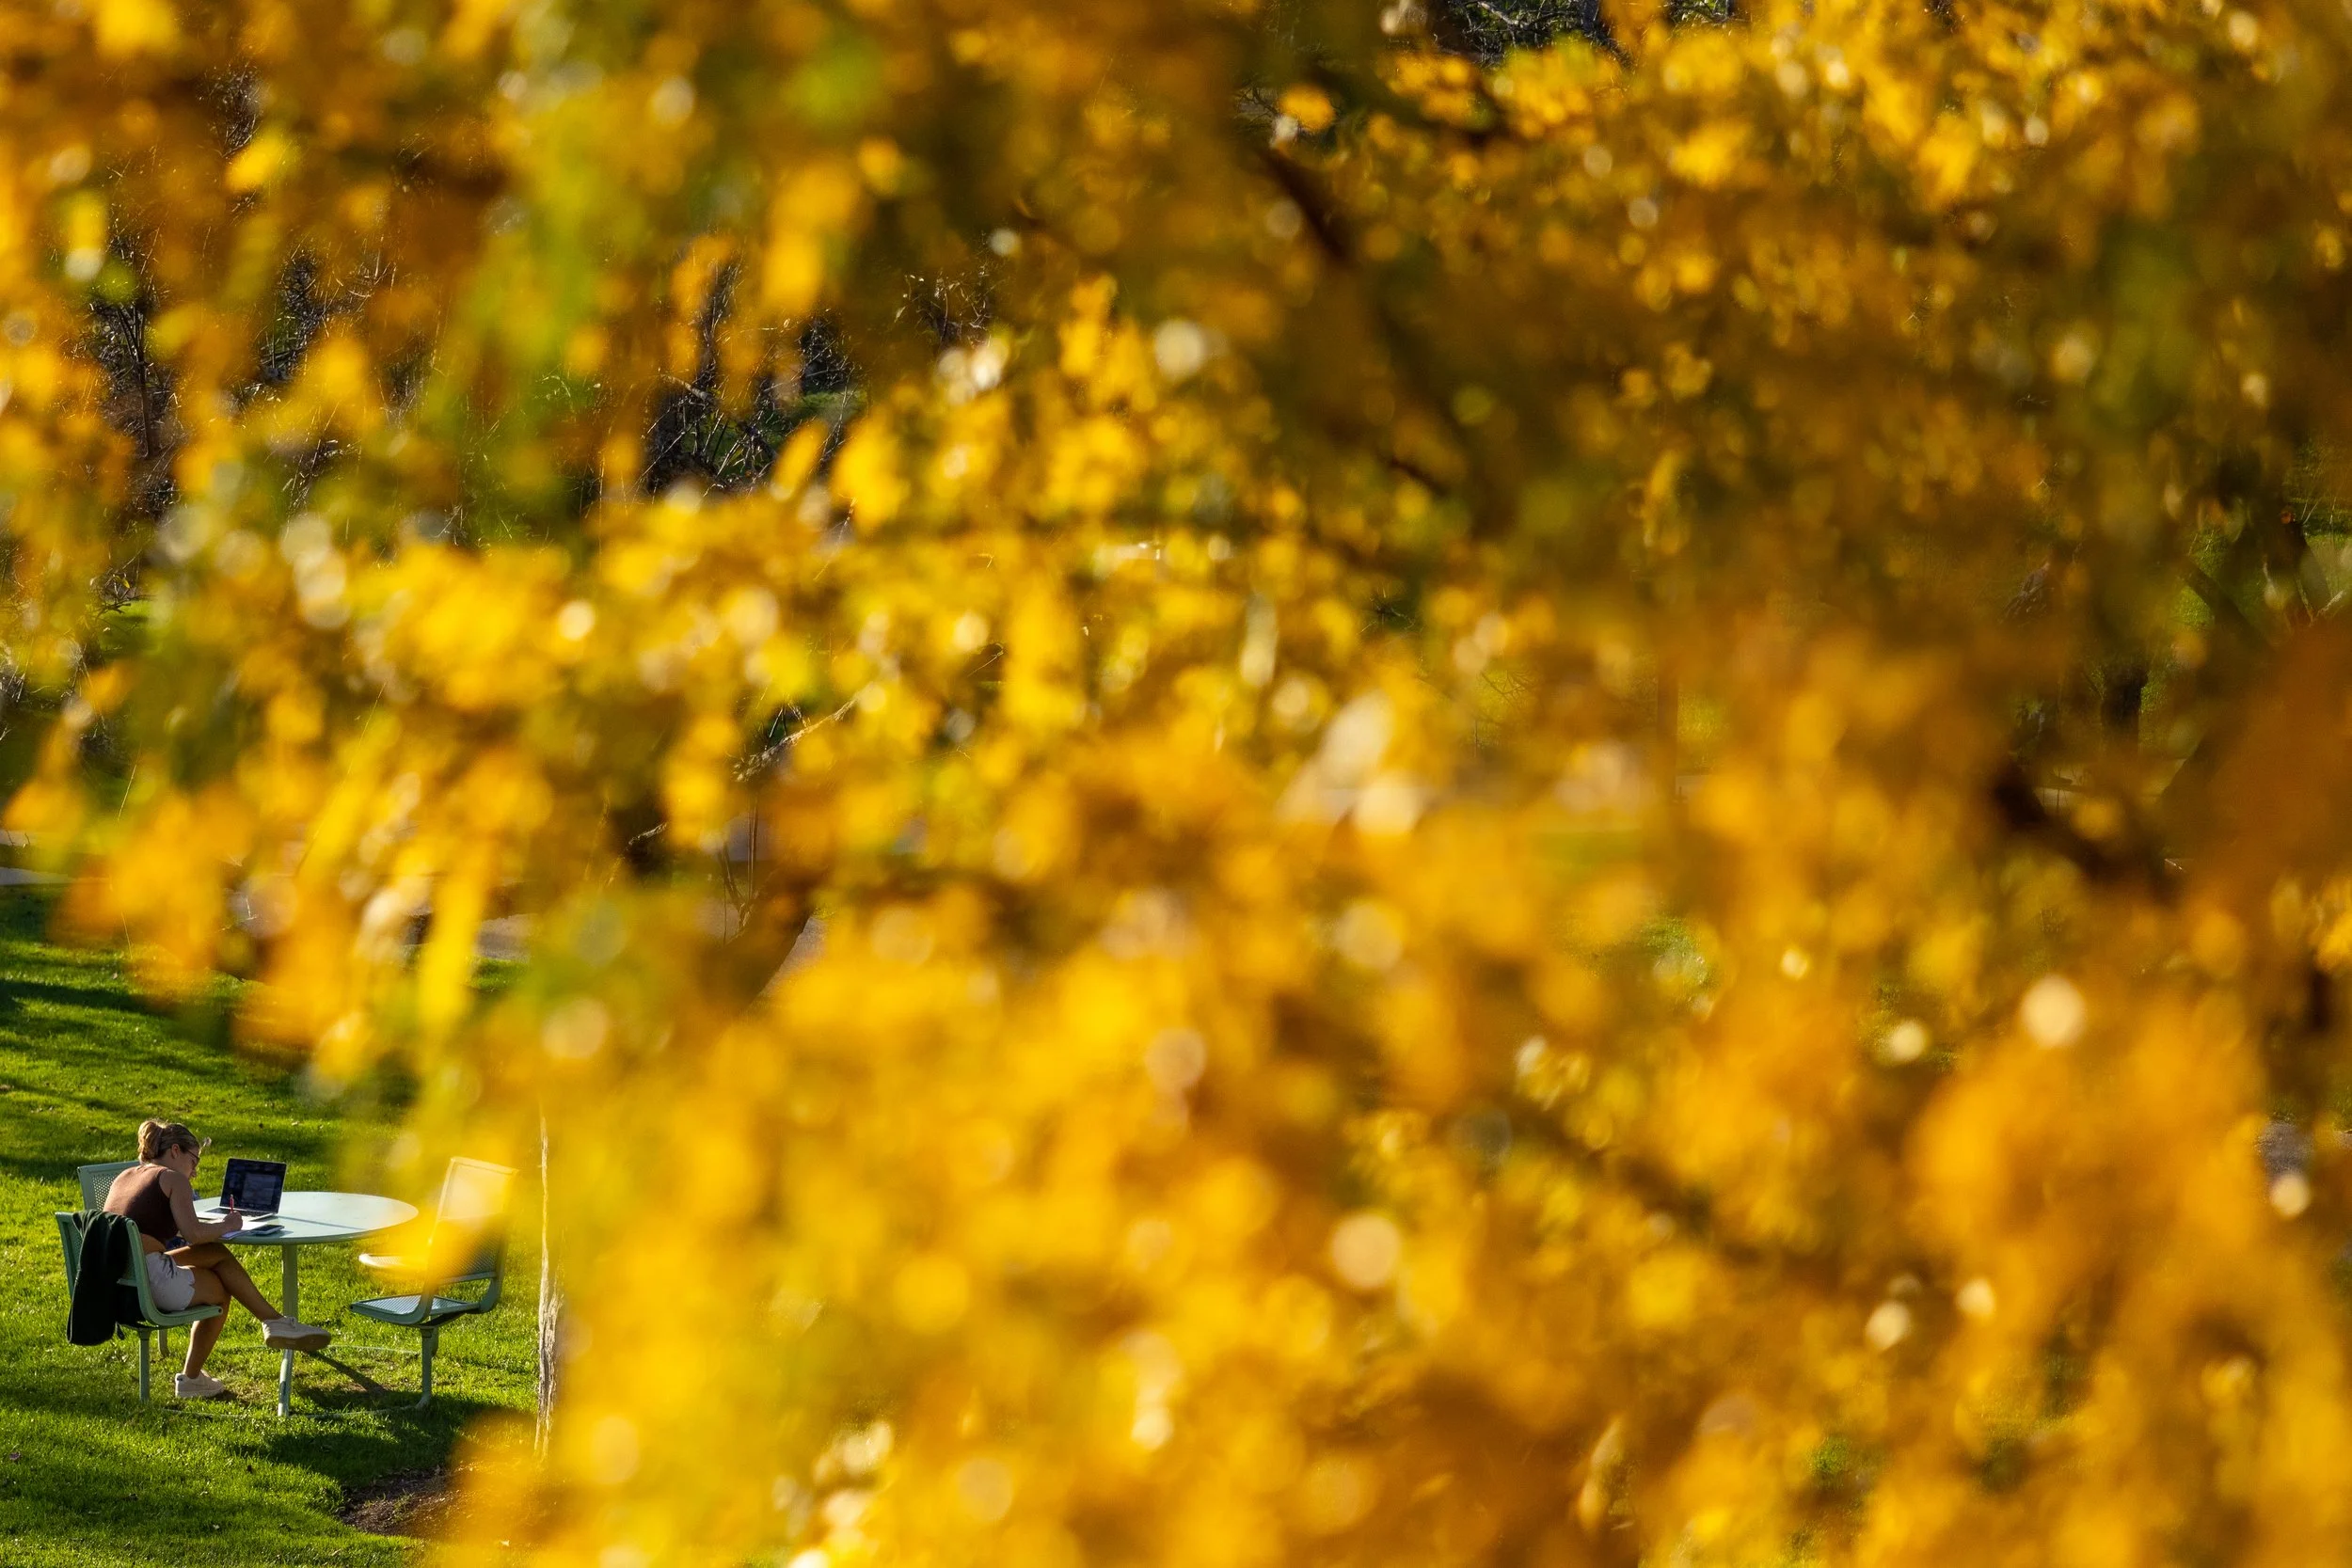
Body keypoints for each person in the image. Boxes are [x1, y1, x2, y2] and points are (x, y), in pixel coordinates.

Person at [103, 1118, 332, 1400]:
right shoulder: (173, 1179)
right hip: (153, 1282)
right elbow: (193, 1234)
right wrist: (227, 1225)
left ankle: (275, 1322)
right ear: (175, 1150)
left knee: (217, 1254)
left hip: (121, 1280)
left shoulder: (125, 1175)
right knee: (221, 1290)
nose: (195, 1172)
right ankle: (192, 1378)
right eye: (194, 1160)